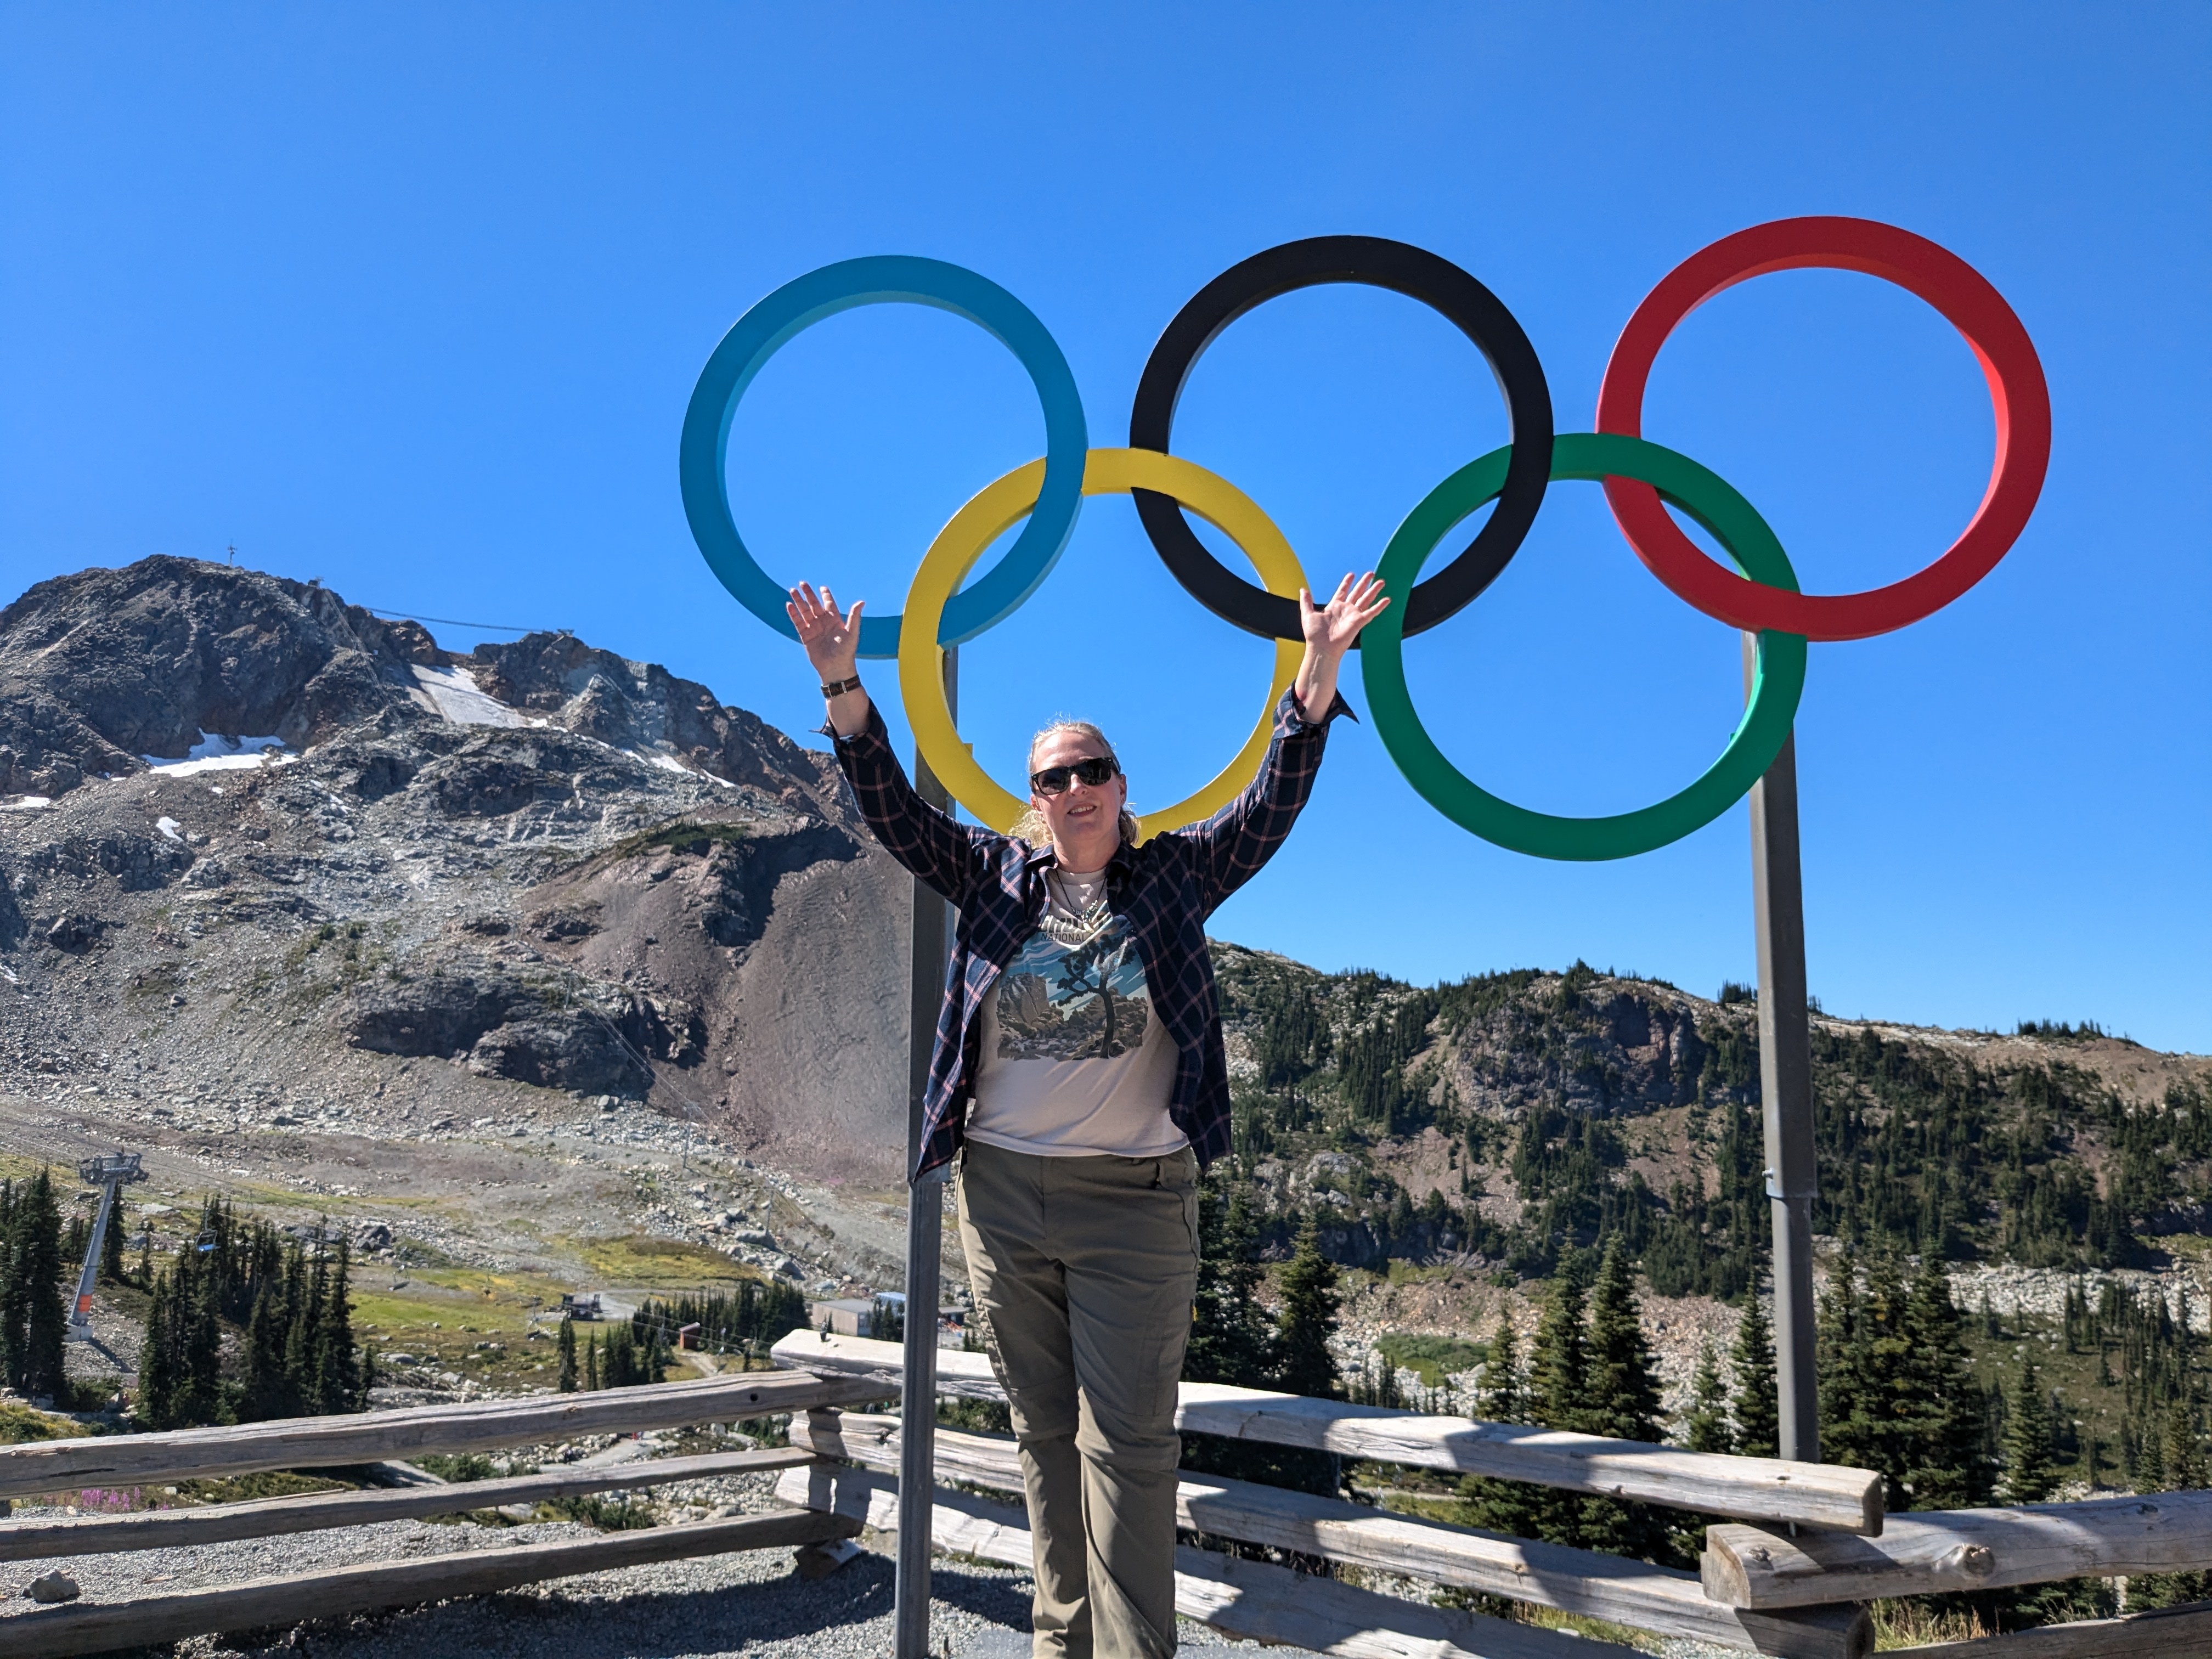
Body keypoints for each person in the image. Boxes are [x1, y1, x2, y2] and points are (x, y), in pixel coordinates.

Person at [789, 570, 1388, 1659]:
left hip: (1137, 1203)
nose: (1075, 788)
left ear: (1120, 785)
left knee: (1131, 1450)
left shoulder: (1176, 878)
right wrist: (842, 685)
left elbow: (1271, 806)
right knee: (1043, 1437)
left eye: (1092, 769)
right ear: (1034, 798)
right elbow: (894, 812)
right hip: (1003, 1199)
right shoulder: (989, 875)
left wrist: (1317, 668)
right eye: (1053, 776)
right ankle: (1058, 1645)